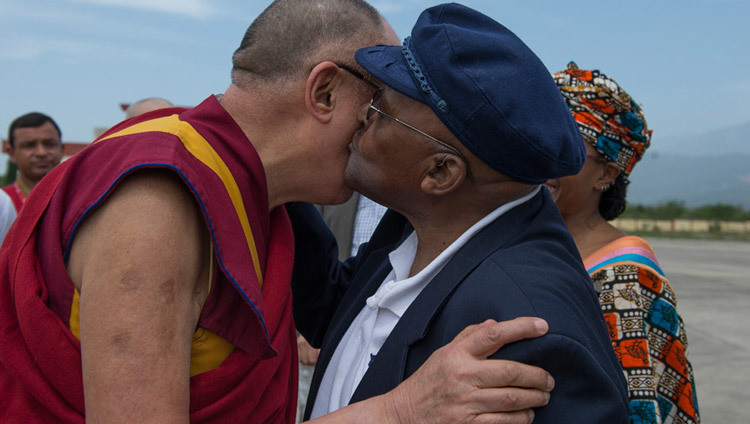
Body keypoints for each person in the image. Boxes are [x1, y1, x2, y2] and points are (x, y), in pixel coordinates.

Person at [0, 1, 554, 423]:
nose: (383, 126)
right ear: (326, 93)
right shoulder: (157, 205)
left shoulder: (261, 196)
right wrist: (398, 411)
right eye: (379, 102)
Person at [289, 4, 629, 423]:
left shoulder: (525, 331)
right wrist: (276, 173)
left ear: (439, 171)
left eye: (380, 108)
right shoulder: (423, 225)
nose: (361, 114)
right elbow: (340, 310)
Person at [549, 62, 700, 424]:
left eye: (566, 143)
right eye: (538, 136)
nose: (543, 157)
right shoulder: (537, 243)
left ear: (606, 173)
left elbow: (638, 407)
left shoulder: (625, 278)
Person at [2, 112, 63, 211]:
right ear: (11, 153)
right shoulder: (3, 205)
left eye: (49, 144)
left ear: (62, 149)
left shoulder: (80, 202)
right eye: (29, 145)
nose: (41, 153)